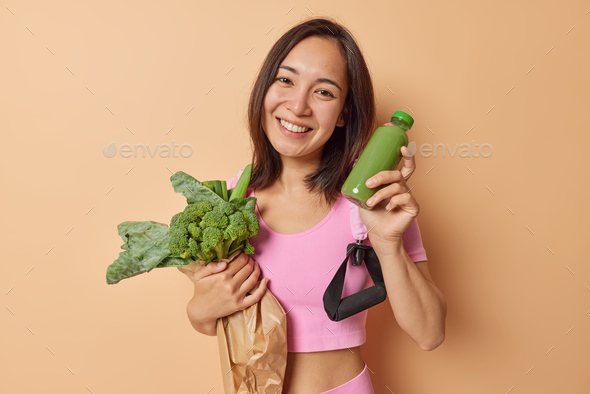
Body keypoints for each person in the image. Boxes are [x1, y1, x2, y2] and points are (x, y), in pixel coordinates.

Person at [183, 17, 447, 394]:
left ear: (343, 113)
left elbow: (430, 333)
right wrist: (198, 310)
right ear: (265, 89)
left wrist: (386, 243)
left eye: (323, 92)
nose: (298, 105)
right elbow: (214, 319)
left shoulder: (372, 199)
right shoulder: (226, 203)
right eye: (286, 80)